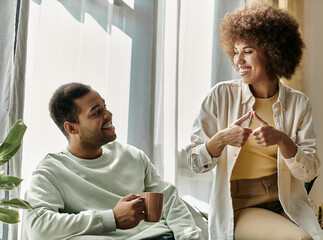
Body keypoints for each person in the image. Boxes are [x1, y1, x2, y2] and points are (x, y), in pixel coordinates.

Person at [186, 3, 323, 240]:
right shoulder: (220, 96)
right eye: (236, 51)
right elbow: (194, 161)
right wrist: (221, 139)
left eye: (247, 51)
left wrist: (282, 140)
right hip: (241, 205)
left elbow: (308, 171)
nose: (238, 59)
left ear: (273, 52)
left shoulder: (299, 104)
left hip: (285, 202)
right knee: (302, 239)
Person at [25, 83, 203, 240]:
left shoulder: (132, 156)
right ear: (71, 127)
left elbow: (169, 200)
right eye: (96, 112)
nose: (108, 114)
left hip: (165, 235)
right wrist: (112, 218)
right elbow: (38, 226)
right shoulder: (51, 171)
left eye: (105, 106)